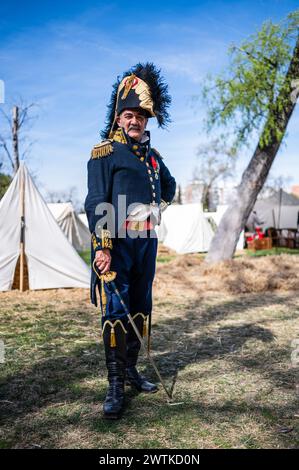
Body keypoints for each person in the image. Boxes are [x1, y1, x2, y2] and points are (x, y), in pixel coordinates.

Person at [85, 63, 176, 419]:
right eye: (129, 114)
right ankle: (114, 385)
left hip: (146, 243)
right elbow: (96, 201)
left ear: (146, 120)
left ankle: (133, 370)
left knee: (141, 309)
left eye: (140, 115)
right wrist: (104, 246)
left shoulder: (153, 157)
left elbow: (170, 187)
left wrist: (156, 210)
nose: (135, 121)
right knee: (116, 313)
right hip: (118, 244)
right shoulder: (105, 152)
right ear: (118, 118)